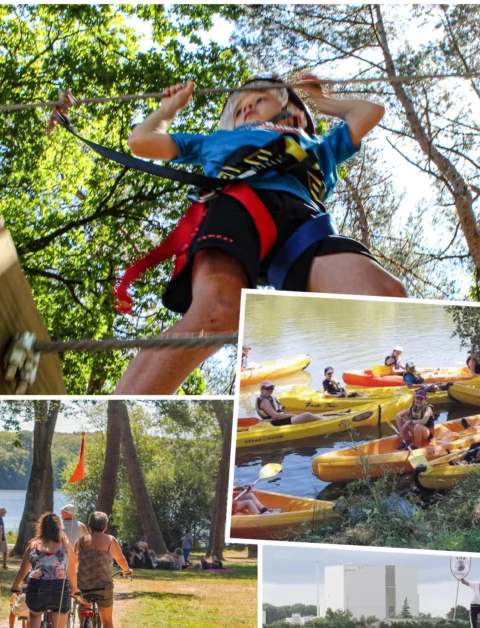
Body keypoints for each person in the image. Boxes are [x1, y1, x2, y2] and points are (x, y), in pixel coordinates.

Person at [116, 75, 404, 394]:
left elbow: (370, 112)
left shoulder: (318, 146)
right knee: (216, 316)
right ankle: (122, 414)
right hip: (235, 208)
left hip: (303, 221)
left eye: (259, 100)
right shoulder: (215, 141)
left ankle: (375, 388)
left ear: (291, 113)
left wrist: (321, 102)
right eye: (238, 109)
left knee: (385, 294)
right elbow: (141, 141)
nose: (247, 107)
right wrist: (168, 110)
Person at [10, 512, 82, 628]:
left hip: (37, 589)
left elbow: (23, 570)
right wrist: (75, 590)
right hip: (59, 590)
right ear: (59, 528)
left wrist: (15, 586)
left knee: (34, 613)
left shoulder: (33, 545)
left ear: (40, 527)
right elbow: (72, 571)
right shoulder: (65, 546)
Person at [74, 511, 132, 628]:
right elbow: (120, 559)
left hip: (84, 585)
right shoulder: (110, 541)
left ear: (90, 525)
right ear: (105, 527)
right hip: (104, 586)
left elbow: (74, 563)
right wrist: (126, 570)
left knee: (83, 603)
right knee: (107, 621)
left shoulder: (80, 542)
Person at [255, 381, 323, 425]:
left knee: (307, 415)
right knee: (307, 415)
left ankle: (320, 418)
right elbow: (276, 416)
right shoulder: (264, 401)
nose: (270, 390)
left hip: (280, 420)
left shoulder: (269, 398)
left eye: (271, 388)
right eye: (267, 388)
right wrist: (292, 415)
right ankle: (324, 421)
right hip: (276, 423)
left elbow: (280, 412)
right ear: (262, 389)